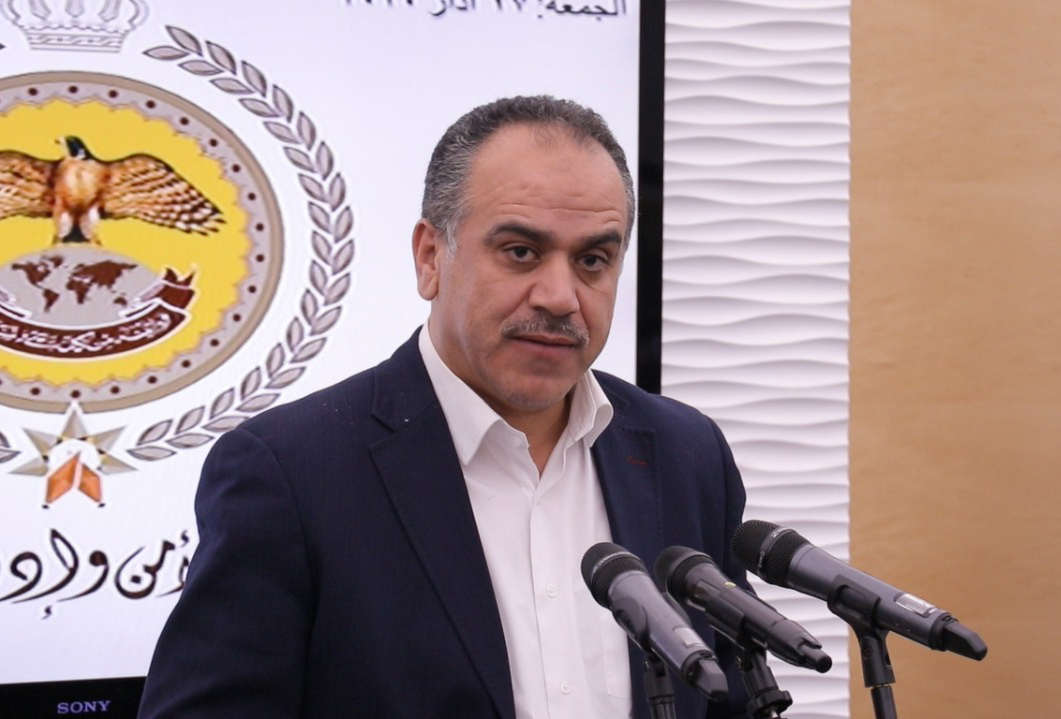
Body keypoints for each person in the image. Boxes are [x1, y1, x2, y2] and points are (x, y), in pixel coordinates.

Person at [138, 96, 749, 719]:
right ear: (430, 257)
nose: (560, 296)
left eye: (592, 260)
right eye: (521, 252)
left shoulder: (686, 454)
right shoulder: (291, 474)